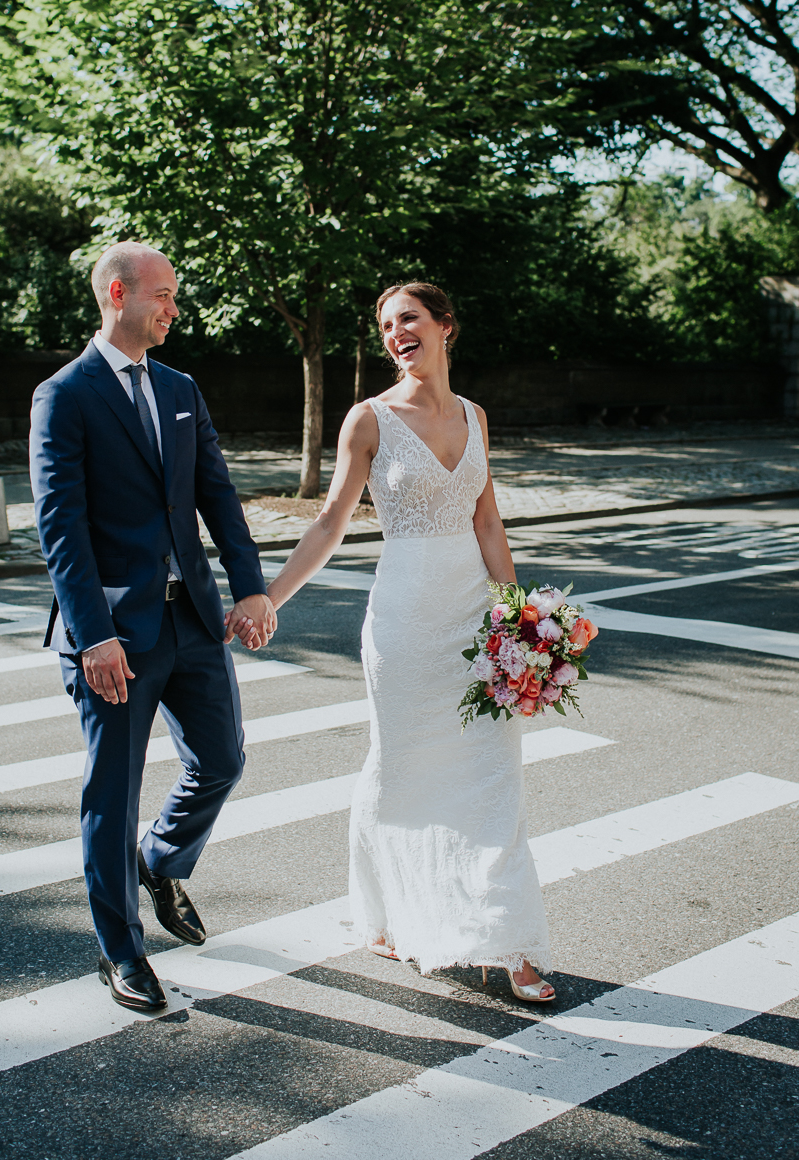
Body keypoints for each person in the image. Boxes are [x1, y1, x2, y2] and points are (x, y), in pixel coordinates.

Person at [264, 281, 554, 1002]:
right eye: (387, 325)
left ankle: (512, 943)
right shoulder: (368, 420)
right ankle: (388, 909)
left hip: (473, 618)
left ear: (445, 327)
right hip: (401, 620)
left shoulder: (475, 416)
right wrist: (266, 599)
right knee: (399, 769)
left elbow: (488, 524)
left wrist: (519, 622)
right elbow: (331, 522)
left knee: (494, 776)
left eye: (409, 319)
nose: (397, 333)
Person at [29, 241, 276, 1013]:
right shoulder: (63, 394)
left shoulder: (179, 387)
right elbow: (60, 526)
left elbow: (217, 496)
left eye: (173, 296)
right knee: (113, 792)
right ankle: (121, 952)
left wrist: (250, 590)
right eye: (163, 295)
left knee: (224, 758)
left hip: (193, 619)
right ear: (117, 293)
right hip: (114, 635)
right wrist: (94, 632)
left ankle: (161, 859)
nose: (174, 309)